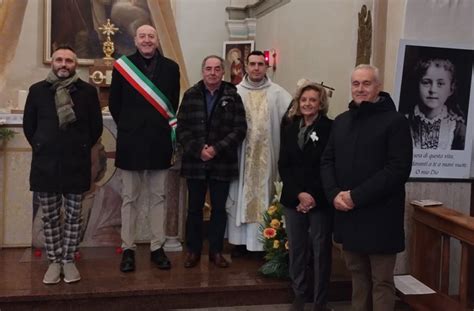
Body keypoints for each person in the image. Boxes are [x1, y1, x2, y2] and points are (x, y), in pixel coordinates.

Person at [320, 64, 413, 311]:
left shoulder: (396, 122)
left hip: (380, 217)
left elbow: (397, 170)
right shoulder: (341, 121)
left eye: (366, 83)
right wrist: (333, 195)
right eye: (356, 84)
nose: (360, 89)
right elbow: (327, 160)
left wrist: (355, 196)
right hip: (348, 215)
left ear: (378, 87)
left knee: (381, 282)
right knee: (358, 279)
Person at [23, 46, 103, 284]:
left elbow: (95, 127)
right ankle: (54, 261)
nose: (63, 64)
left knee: (73, 216)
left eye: (68, 60)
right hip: (45, 162)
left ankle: (68, 260)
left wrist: (79, 146)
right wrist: (40, 144)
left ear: (75, 65)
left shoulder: (87, 92)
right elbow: (29, 125)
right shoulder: (37, 91)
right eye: (59, 59)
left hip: (75, 163)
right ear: (52, 63)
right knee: (49, 216)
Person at [109, 24, 180, 272]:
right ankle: (128, 249)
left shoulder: (172, 68)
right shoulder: (122, 66)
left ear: (157, 39)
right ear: (135, 40)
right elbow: (114, 104)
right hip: (130, 142)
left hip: (159, 142)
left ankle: (156, 248)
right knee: (129, 198)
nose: (147, 40)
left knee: (158, 197)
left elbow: (172, 102)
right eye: (142, 36)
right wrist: (131, 127)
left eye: (151, 35)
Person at [177, 55, 247, 269]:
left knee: (219, 209)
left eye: (217, 69)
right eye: (209, 68)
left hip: (222, 161)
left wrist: (216, 149)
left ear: (223, 72)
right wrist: (199, 150)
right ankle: (193, 251)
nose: (213, 72)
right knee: (194, 209)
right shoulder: (190, 95)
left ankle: (216, 251)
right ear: (202, 71)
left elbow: (240, 129)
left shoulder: (233, 96)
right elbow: (181, 129)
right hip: (195, 161)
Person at [226, 50, 292, 255]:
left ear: (266, 67)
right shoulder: (235, 92)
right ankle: (239, 243)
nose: (256, 68)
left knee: (266, 196)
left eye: (260, 64)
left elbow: (290, 123)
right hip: (241, 156)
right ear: (245, 66)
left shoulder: (279, 94)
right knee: (239, 194)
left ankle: (265, 243)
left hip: (268, 157)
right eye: (252, 64)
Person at [279, 81, 333, 311]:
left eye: (312, 100)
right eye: (303, 100)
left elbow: (329, 165)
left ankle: (320, 301)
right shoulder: (290, 127)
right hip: (294, 198)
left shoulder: (330, 128)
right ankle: (299, 294)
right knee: (297, 249)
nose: (307, 104)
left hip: (319, 200)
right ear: (298, 103)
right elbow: (284, 164)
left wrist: (311, 196)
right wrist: (299, 194)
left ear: (320, 104)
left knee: (321, 251)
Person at [405, 58, 466, 150]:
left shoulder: (458, 128)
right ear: (417, 85)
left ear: (451, 89)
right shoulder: (403, 123)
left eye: (440, 84)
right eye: (426, 83)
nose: (433, 90)